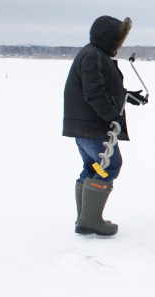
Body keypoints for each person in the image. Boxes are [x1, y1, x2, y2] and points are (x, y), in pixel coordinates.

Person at [62, 15, 147, 236]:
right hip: (92, 127)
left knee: (92, 168)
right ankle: (90, 220)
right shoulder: (93, 56)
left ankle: (85, 219)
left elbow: (102, 88)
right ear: (109, 37)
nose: (120, 43)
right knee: (109, 166)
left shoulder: (95, 54)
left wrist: (127, 96)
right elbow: (93, 93)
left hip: (85, 126)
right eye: (118, 38)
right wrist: (113, 116)